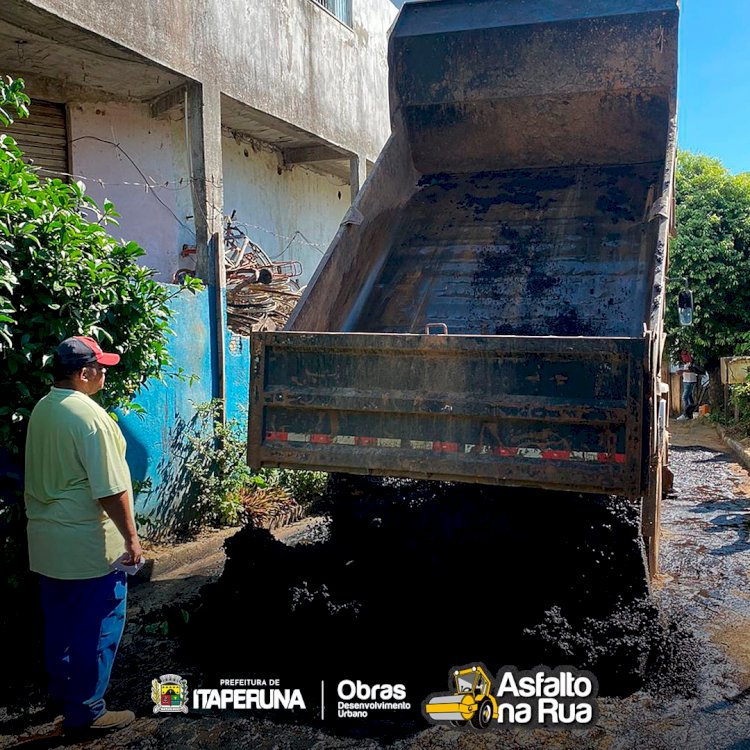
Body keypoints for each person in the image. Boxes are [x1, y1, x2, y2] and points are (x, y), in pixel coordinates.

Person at [24, 336, 141, 735]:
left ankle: (63, 692)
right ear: (85, 372)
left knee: (60, 625)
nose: (106, 372)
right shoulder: (90, 417)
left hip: (47, 544)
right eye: (101, 367)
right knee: (98, 624)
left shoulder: (44, 408)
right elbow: (110, 488)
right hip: (88, 546)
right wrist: (131, 538)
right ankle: (86, 711)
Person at [676, 349, 699, 420]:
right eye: (682, 355)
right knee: (689, 398)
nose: (683, 357)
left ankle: (685, 414)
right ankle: (691, 414)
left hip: (690, 382)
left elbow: (692, 370)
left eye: (685, 355)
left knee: (684, 397)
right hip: (686, 381)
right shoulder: (685, 364)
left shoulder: (692, 363)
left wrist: (682, 371)